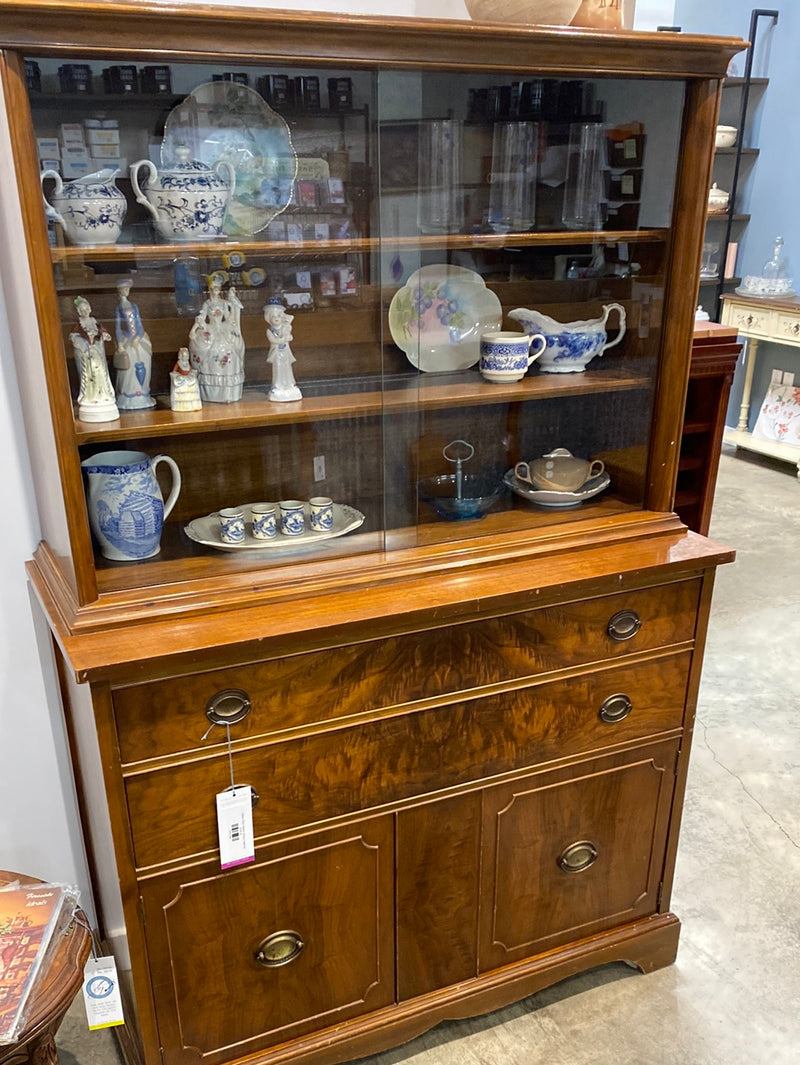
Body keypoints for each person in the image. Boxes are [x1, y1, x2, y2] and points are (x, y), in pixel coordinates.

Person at [188, 277, 246, 402]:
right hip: (211, 328)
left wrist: (233, 307)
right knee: (205, 347)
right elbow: (201, 318)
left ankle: (228, 392)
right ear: (210, 289)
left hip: (223, 328)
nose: (215, 290)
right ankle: (211, 392)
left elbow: (229, 318)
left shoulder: (224, 303)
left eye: (217, 288)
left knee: (230, 347)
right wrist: (193, 330)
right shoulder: (207, 304)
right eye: (213, 288)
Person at [69, 296, 119, 422]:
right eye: (82, 309)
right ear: (79, 312)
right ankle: (91, 397)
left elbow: (103, 333)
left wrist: (103, 336)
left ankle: (104, 396)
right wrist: (85, 342)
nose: (85, 311)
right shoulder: (79, 325)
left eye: (87, 308)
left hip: (97, 353)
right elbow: (74, 337)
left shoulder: (95, 322)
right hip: (88, 357)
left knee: (101, 374)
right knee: (90, 377)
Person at [114, 277, 156, 410]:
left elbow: (139, 324)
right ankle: (128, 394)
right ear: (119, 291)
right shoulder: (119, 308)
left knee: (144, 358)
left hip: (138, 337)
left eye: (128, 289)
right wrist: (120, 343)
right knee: (129, 363)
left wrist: (138, 337)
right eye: (124, 289)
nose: (126, 291)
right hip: (126, 338)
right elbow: (118, 327)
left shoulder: (134, 306)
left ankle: (142, 392)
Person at [264, 297, 301, 402]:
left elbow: (290, 337)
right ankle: (278, 385)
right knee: (278, 369)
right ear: (269, 318)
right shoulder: (270, 330)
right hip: (276, 354)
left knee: (287, 368)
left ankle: (289, 384)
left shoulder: (285, 327)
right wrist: (282, 339)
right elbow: (273, 340)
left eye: (279, 316)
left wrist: (286, 334)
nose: (276, 319)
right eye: (273, 316)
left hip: (285, 353)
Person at [170, 347, 203, 412]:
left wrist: (192, 373)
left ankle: (192, 404)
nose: (185, 357)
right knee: (181, 383)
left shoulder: (187, 363)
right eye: (184, 356)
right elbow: (174, 371)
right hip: (181, 377)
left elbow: (190, 369)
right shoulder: (178, 363)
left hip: (188, 377)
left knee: (193, 381)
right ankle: (181, 405)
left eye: (186, 356)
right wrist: (177, 375)